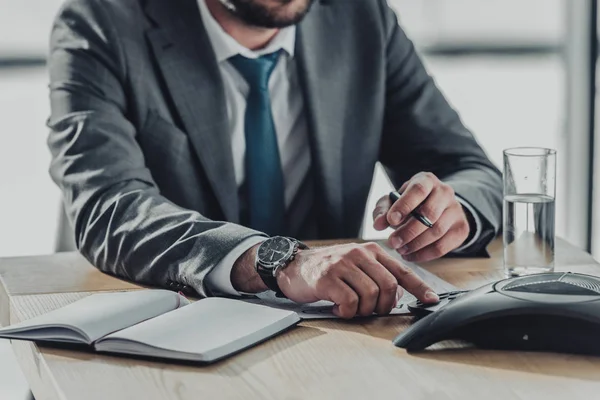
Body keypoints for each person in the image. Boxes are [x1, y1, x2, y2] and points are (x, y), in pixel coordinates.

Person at [47, 0, 502, 318]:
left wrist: (451, 210)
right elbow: (109, 207)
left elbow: (471, 171)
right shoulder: (100, 21)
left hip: (328, 332)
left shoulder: (360, 16)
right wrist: (278, 262)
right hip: (154, 331)